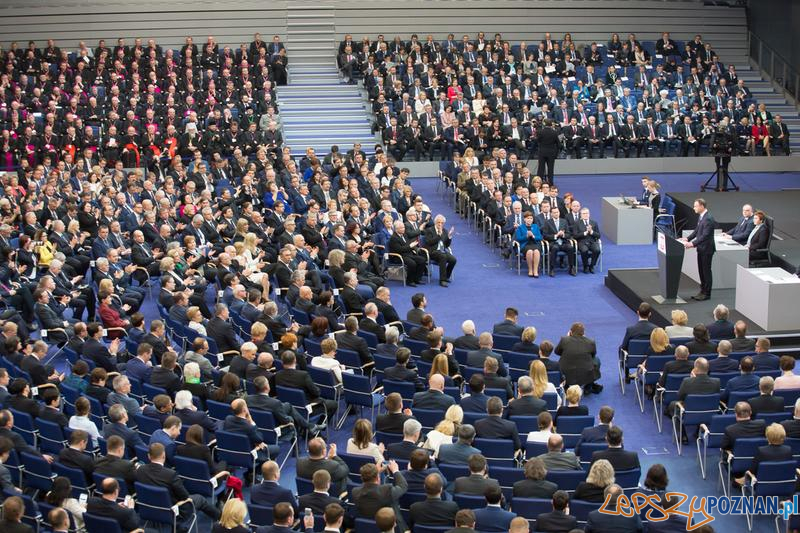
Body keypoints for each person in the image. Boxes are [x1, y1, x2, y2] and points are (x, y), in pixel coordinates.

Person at [352, 462, 408, 532]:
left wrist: (374, 473)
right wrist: (395, 471)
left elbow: (366, 485)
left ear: (362, 478)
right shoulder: (386, 491)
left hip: (366, 528)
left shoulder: (355, 492)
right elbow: (403, 486)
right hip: (386, 526)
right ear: (378, 478)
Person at [679, 198, 716, 300]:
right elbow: (697, 231)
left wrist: (692, 243)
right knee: (701, 271)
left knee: (706, 272)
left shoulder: (708, 218)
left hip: (707, 249)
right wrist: (687, 238)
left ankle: (707, 293)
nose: (694, 208)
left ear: (702, 206)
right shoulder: (702, 216)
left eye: (695, 206)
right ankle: (702, 290)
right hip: (701, 248)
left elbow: (705, 235)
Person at [556, 322, 601, 394]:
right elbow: (593, 355)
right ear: (583, 332)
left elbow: (557, 352)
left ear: (570, 332)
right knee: (597, 360)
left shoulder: (564, 340)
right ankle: (588, 386)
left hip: (566, 374)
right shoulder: (591, 342)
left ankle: (566, 386)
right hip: (585, 374)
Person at [423, 215, 457, 287]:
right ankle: (442, 280)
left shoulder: (445, 231)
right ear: (435, 222)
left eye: (442, 223)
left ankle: (446, 276)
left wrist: (449, 237)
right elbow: (429, 242)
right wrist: (438, 235)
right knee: (443, 256)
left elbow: (446, 245)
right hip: (432, 251)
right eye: (438, 222)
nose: (440, 224)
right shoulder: (429, 230)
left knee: (453, 260)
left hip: (442, 251)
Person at [536, 119, 559, 185]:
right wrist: (556, 153)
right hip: (551, 153)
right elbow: (558, 144)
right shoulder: (554, 132)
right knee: (550, 169)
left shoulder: (540, 132)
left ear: (544, 124)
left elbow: (537, 141)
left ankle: (539, 183)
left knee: (541, 169)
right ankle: (550, 183)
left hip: (542, 152)